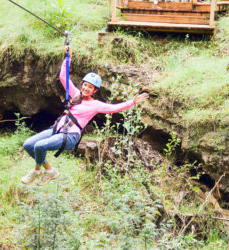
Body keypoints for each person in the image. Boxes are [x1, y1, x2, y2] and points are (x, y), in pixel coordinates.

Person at [21, 46, 149, 186]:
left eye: (90, 87)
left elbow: (113, 108)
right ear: (82, 85)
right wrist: (67, 57)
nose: (86, 88)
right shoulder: (75, 94)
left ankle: (37, 170)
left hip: (70, 136)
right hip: (57, 128)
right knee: (28, 145)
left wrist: (132, 102)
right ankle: (50, 171)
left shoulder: (95, 105)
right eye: (85, 85)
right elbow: (63, 76)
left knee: (39, 146)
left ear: (94, 91)